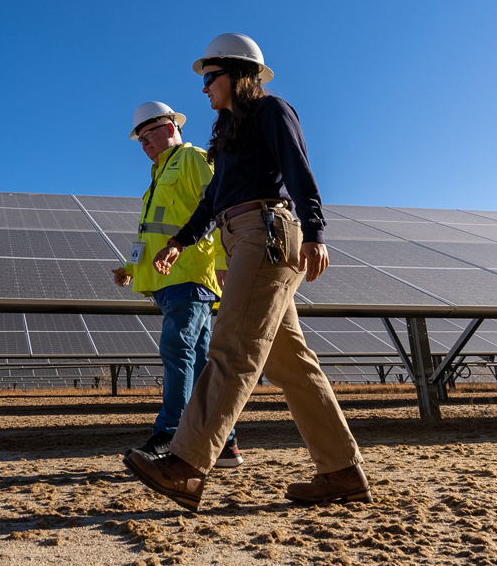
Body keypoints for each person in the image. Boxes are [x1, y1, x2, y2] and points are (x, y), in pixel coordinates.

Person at [123, 34, 369, 511]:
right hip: (242, 238)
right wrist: (179, 241)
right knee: (289, 363)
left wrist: (316, 232)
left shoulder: (272, 111)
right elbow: (213, 200)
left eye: (209, 78)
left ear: (237, 75)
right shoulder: (229, 132)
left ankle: (186, 465)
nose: (203, 89)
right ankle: (342, 472)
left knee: (231, 347)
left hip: (267, 232)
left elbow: (299, 170)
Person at [114, 101, 243, 468]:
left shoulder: (193, 159)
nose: (144, 144)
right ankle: (226, 444)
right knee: (199, 363)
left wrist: (222, 261)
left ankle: (169, 433)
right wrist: (129, 268)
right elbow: (153, 233)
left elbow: (221, 207)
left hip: (190, 275)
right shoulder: (158, 175)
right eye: (139, 139)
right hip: (166, 281)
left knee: (177, 348)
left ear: (170, 127)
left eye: (148, 134)